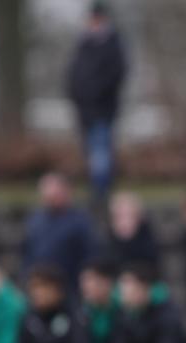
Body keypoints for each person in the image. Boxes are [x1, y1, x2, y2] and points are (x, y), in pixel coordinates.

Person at [67, 0, 127, 206]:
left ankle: (101, 191)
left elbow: (116, 75)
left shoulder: (113, 43)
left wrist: (95, 93)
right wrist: (76, 95)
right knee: (91, 153)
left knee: (101, 152)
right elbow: (74, 74)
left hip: (102, 109)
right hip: (84, 110)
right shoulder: (84, 43)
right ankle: (96, 188)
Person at [22, 172, 99, 293]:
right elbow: (27, 253)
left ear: (66, 192)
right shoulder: (35, 220)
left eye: (54, 194)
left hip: (69, 289)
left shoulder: (80, 221)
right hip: (40, 288)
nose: (49, 198)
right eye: (46, 194)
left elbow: (89, 256)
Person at [106, 192, 161, 273]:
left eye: (130, 216)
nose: (124, 222)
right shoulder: (104, 248)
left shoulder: (150, 247)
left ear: (140, 219)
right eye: (119, 217)